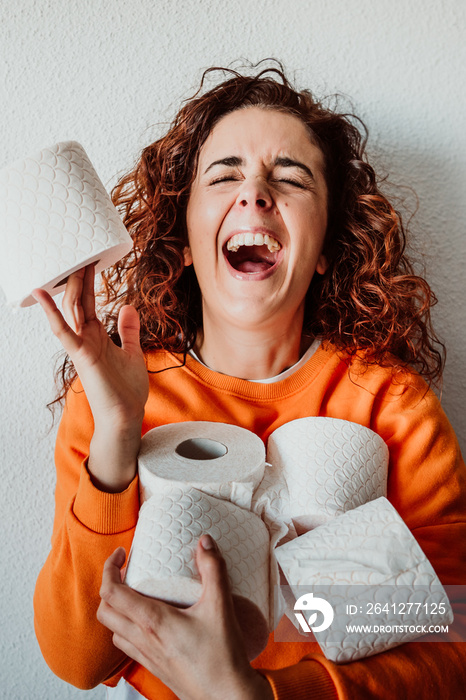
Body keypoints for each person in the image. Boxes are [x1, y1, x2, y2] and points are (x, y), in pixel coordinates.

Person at [33, 63, 466, 699]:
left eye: (290, 179)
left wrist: (260, 697)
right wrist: (118, 437)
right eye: (225, 175)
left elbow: (450, 645)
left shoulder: (391, 407)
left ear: (325, 251)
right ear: (182, 239)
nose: (255, 194)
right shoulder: (115, 395)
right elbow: (77, 659)